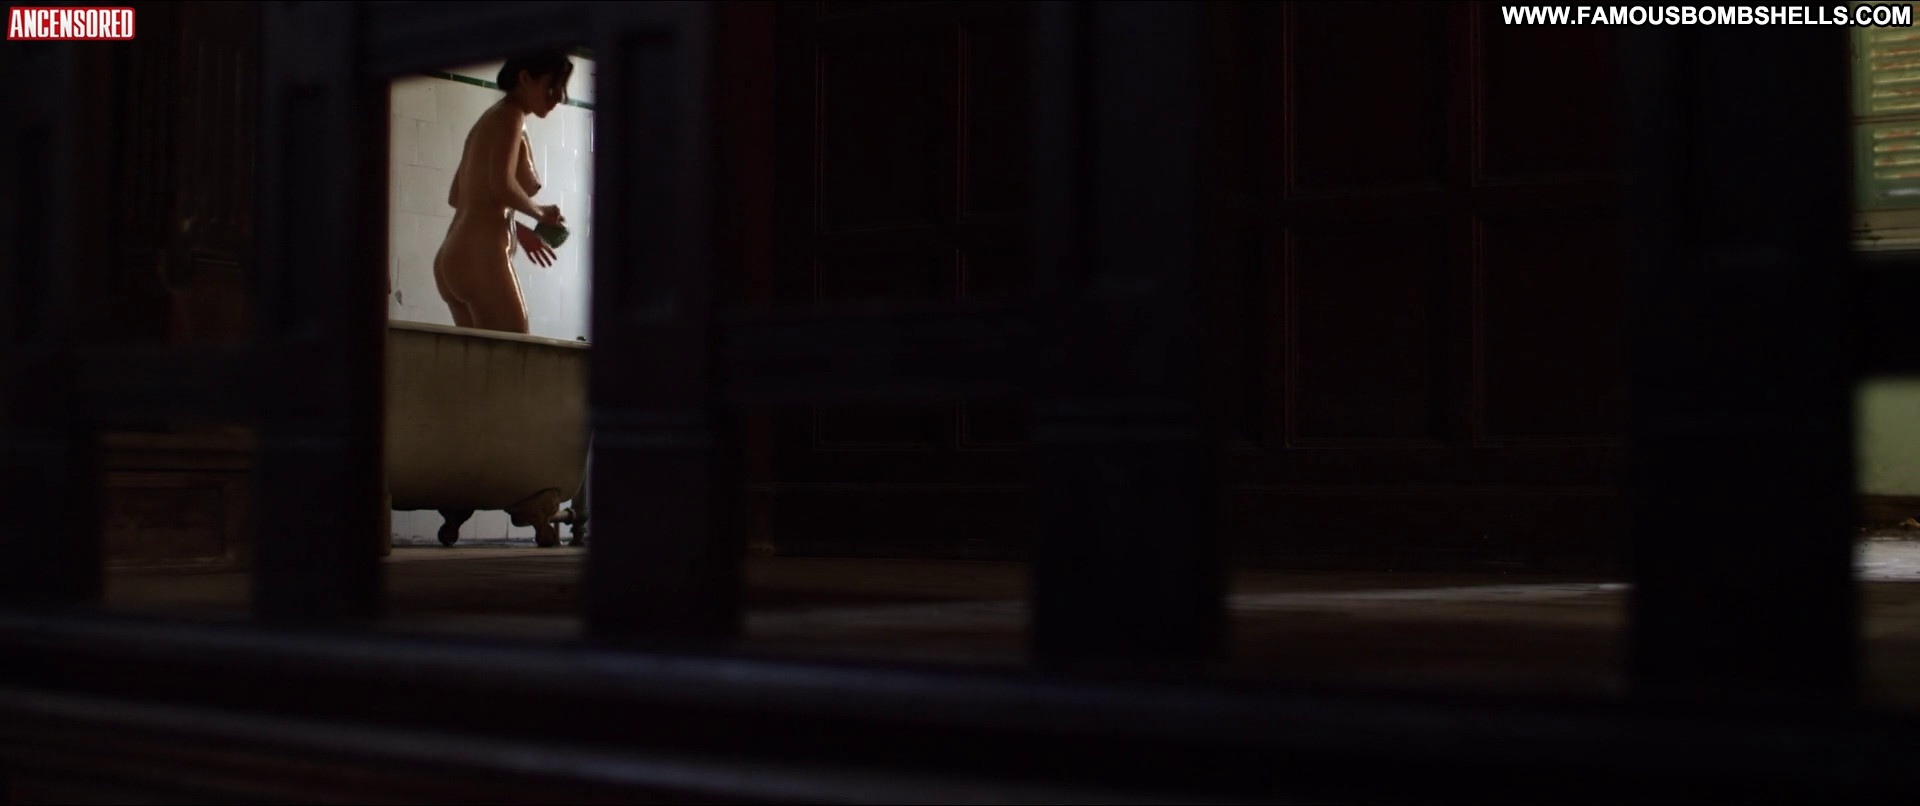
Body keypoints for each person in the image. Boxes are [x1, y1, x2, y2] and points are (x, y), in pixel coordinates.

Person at [432, 51, 573, 334]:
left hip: (453, 255)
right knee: (513, 355)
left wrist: (518, 229)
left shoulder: (487, 121)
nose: (560, 97)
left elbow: (458, 196)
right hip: (482, 255)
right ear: (525, 78)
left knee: (479, 358)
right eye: (554, 86)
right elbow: (501, 183)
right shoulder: (511, 116)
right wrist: (540, 213)